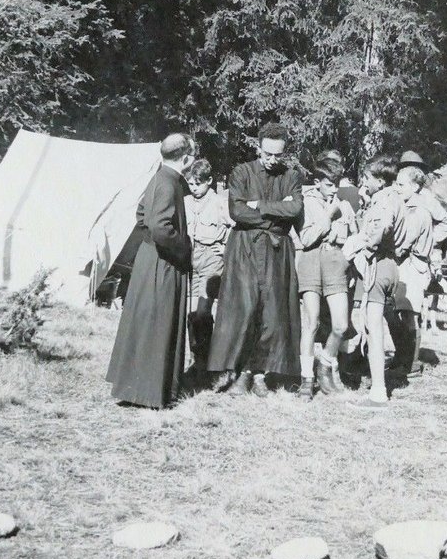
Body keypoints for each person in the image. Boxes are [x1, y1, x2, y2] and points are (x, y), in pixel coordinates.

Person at [207, 123, 303, 397]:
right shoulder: (241, 172)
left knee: (272, 314)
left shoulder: (292, 176)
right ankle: (242, 372)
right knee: (245, 310)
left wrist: (258, 205)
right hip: (245, 250)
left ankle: (261, 373)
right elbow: (237, 212)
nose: (273, 160)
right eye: (268, 153)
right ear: (258, 147)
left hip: (277, 252)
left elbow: (295, 208)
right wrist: (276, 210)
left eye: (278, 155)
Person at [106, 132, 196, 409]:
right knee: (158, 321)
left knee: (146, 321)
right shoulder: (168, 183)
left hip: (150, 258)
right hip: (163, 262)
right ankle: (149, 392)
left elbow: (142, 214)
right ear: (187, 158)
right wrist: (183, 246)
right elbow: (159, 226)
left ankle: (137, 387)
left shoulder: (159, 178)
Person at [342, 155, 419, 410]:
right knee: (372, 325)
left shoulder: (385, 200)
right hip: (391, 265)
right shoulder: (396, 199)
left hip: (379, 263)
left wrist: (363, 245)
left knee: (374, 330)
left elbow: (383, 226)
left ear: (379, 180)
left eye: (366, 178)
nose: (364, 183)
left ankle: (378, 392)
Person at [294, 156, 357, 398]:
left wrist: (340, 243)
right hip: (310, 263)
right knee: (311, 323)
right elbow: (307, 239)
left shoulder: (345, 205)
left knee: (341, 325)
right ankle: (307, 379)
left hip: (335, 265)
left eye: (336, 184)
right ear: (318, 182)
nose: (334, 189)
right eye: (329, 184)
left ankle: (325, 364)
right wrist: (328, 216)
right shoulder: (305, 203)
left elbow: (354, 237)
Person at [392, 163, 441, 376]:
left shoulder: (418, 211)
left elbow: (402, 243)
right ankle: (403, 359)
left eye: (401, 184)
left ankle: (410, 365)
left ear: (414, 187)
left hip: (414, 266)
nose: (396, 187)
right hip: (408, 265)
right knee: (402, 312)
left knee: (410, 314)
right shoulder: (407, 206)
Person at [184, 158, 231, 376]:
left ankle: (206, 359)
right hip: (190, 258)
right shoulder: (184, 202)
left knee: (203, 310)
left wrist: (226, 248)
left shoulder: (221, 203)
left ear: (209, 181)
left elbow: (235, 226)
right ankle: (196, 358)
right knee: (191, 312)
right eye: (190, 184)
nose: (194, 188)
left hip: (212, 257)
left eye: (198, 184)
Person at [398, 150, 447, 270]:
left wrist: (430, 240)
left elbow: (446, 221)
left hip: (419, 256)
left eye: (414, 167)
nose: (409, 170)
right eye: (405, 166)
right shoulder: (398, 192)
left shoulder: (426, 197)